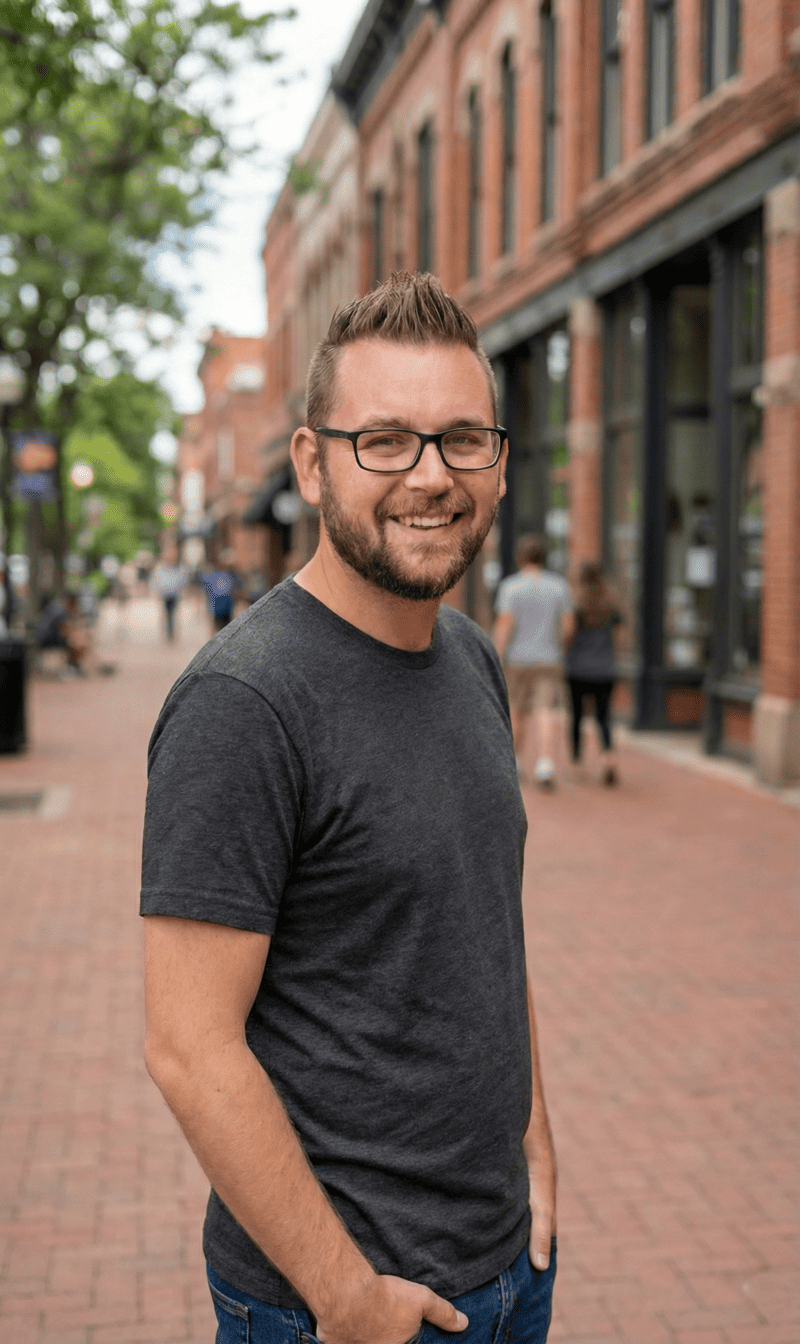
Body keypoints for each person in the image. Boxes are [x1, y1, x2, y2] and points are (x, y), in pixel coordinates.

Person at [140, 272, 557, 1344]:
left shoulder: (468, 655)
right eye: (385, 441)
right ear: (311, 463)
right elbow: (189, 1047)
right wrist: (345, 1296)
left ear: (498, 465)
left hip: (507, 1268)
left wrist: (533, 1136)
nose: (429, 476)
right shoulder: (244, 702)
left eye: (462, 439)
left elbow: (482, 928)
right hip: (338, 1307)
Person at [492, 535, 572, 790]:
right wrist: (560, 648)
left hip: (517, 659)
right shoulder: (559, 586)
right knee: (545, 710)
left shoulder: (511, 587)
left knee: (516, 709)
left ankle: (515, 762)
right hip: (549, 659)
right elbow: (569, 626)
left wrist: (497, 655)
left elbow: (504, 625)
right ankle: (545, 763)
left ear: (520, 558)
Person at [565, 561, 622, 786]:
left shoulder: (577, 604)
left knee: (577, 716)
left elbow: (568, 634)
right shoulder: (611, 604)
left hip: (578, 668)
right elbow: (620, 637)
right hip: (605, 668)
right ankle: (608, 759)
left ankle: (578, 763)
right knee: (604, 717)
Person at [152, 547, 188, 642]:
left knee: (173, 614)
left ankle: (172, 633)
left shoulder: (179, 567)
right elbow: (157, 580)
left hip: (175, 594)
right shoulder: (161, 567)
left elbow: (183, 580)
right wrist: (157, 591)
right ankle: (169, 634)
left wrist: (182, 590)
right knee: (167, 614)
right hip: (165, 594)